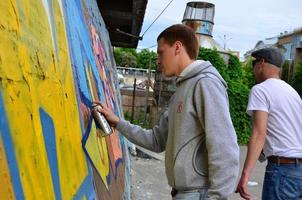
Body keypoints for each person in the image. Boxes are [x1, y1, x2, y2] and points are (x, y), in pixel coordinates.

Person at [97, 24, 239, 199]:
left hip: (198, 194)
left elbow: (225, 147)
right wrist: (118, 122)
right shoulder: (181, 89)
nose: (158, 60)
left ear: (177, 47)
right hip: (183, 194)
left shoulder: (205, 83)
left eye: (161, 52)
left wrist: (217, 197)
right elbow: (156, 140)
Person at [236, 47, 302, 200]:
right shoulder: (292, 93)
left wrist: (245, 175)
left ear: (262, 63)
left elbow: (259, 134)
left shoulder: (261, 90)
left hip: (282, 171)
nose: (253, 70)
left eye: (254, 64)